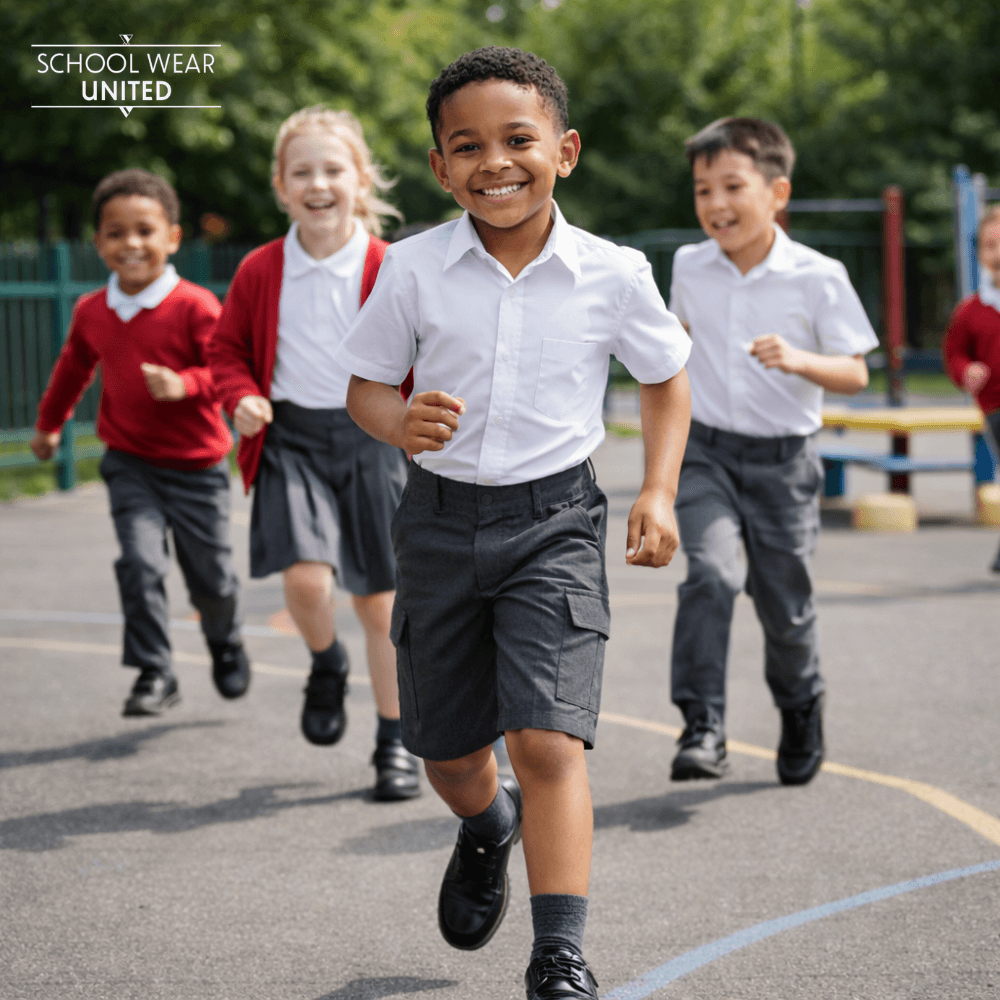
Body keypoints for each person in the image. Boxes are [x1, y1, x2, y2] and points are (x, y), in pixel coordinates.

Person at [337, 47, 691, 1000]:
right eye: (468, 146)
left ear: (564, 151)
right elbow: (365, 387)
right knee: (450, 756)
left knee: (545, 742)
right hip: (441, 524)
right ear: (442, 167)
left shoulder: (614, 273)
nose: (495, 161)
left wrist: (657, 492)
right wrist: (397, 420)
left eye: (518, 139)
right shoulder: (410, 270)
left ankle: (559, 953)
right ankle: (486, 825)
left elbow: (665, 379)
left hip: (555, 523)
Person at [207, 107, 420, 802]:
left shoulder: (390, 265)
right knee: (305, 583)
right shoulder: (261, 269)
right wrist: (240, 396)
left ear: (361, 180)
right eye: (303, 172)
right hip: (291, 439)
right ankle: (325, 665)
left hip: (373, 439)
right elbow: (226, 351)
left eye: (334, 169)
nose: (319, 183)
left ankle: (395, 743)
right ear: (281, 186)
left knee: (383, 608)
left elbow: (428, 352)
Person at [667, 117, 878, 786]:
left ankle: (800, 703)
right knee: (710, 575)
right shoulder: (688, 265)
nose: (716, 205)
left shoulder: (818, 276)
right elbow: (675, 349)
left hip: (785, 464)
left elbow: (856, 371)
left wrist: (799, 359)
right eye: (703, 190)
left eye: (732, 186)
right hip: (706, 456)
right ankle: (702, 724)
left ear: (777, 192)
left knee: (786, 611)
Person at [31, 169, 249, 716]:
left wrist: (186, 384)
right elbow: (71, 369)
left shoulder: (195, 306)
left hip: (197, 467)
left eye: (145, 231)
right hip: (130, 463)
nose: (131, 244)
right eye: (115, 232)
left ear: (171, 238)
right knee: (139, 563)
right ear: (98, 242)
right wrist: (49, 424)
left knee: (213, 579)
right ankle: (155, 671)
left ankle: (224, 640)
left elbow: (226, 369)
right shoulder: (91, 311)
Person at [944, 204, 1000, 573]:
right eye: (990, 245)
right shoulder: (971, 310)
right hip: (996, 405)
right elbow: (953, 355)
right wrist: (967, 370)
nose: (997, 253)